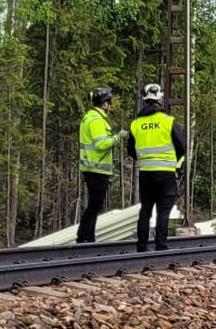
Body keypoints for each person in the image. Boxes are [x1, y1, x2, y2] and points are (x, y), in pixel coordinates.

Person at [128, 84, 187, 251]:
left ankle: (141, 246)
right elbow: (182, 145)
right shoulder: (168, 121)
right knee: (163, 211)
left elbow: (131, 150)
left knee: (145, 210)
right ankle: (161, 245)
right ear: (160, 99)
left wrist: (146, 160)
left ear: (145, 99)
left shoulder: (136, 124)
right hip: (166, 173)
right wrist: (174, 163)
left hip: (146, 173)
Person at [76, 87, 119, 243]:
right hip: (97, 169)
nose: (110, 106)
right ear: (105, 104)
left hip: (91, 167)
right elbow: (101, 145)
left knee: (94, 205)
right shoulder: (97, 120)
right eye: (109, 103)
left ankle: (89, 237)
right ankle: (84, 237)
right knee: (94, 205)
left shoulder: (89, 117)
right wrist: (117, 138)